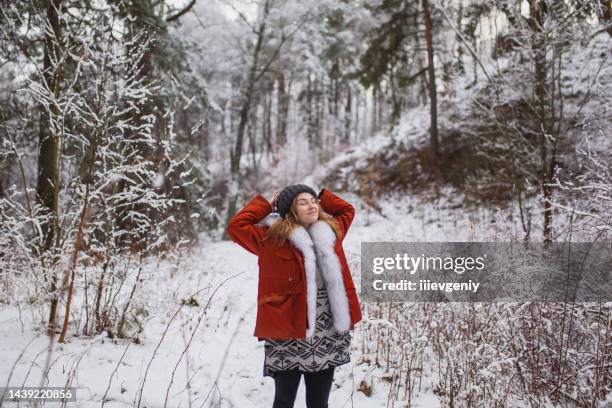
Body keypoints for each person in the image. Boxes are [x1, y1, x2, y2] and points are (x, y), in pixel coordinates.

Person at [227, 184, 363, 408]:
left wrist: (322, 196)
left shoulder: (331, 231)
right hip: (288, 328)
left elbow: (347, 210)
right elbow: (236, 226)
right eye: (303, 202)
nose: (311, 205)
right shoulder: (271, 239)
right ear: (290, 210)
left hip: (326, 328)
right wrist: (269, 204)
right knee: (283, 400)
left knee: (319, 402)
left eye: (313, 201)